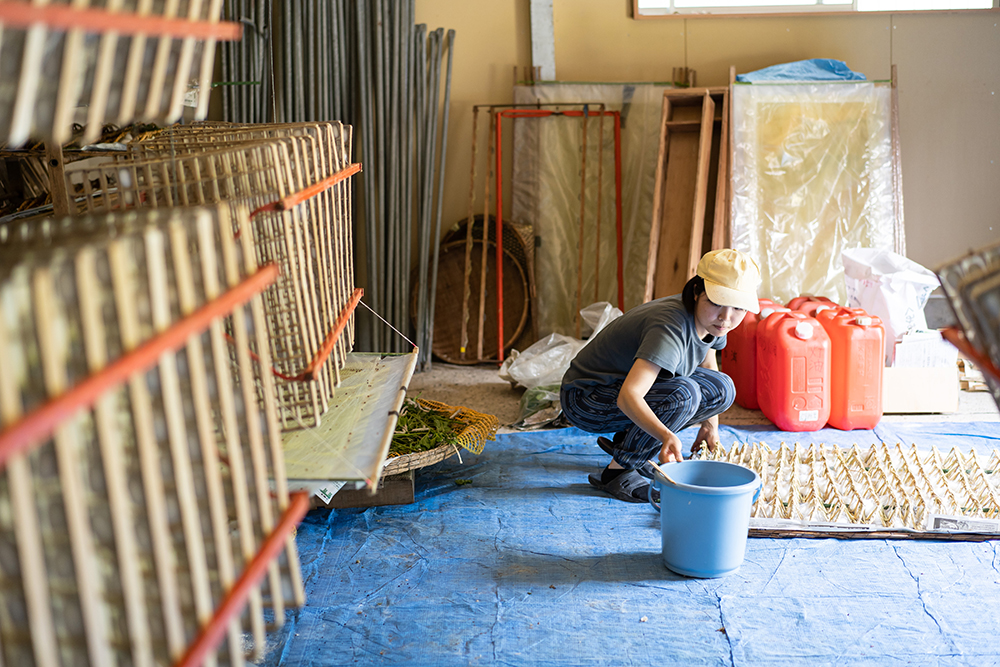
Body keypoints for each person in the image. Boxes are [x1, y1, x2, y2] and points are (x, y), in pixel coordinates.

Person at [560, 248, 761, 502]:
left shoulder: (714, 323)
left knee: (722, 388)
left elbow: (709, 369)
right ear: (697, 291)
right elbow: (628, 396)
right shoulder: (670, 325)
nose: (726, 317)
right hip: (585, 400)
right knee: (684, 393)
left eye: (738, 308)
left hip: (619, 391)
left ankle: (632, 440)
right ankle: (618, 471)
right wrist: (667, 435)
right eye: (717, 302)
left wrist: (711, 426)